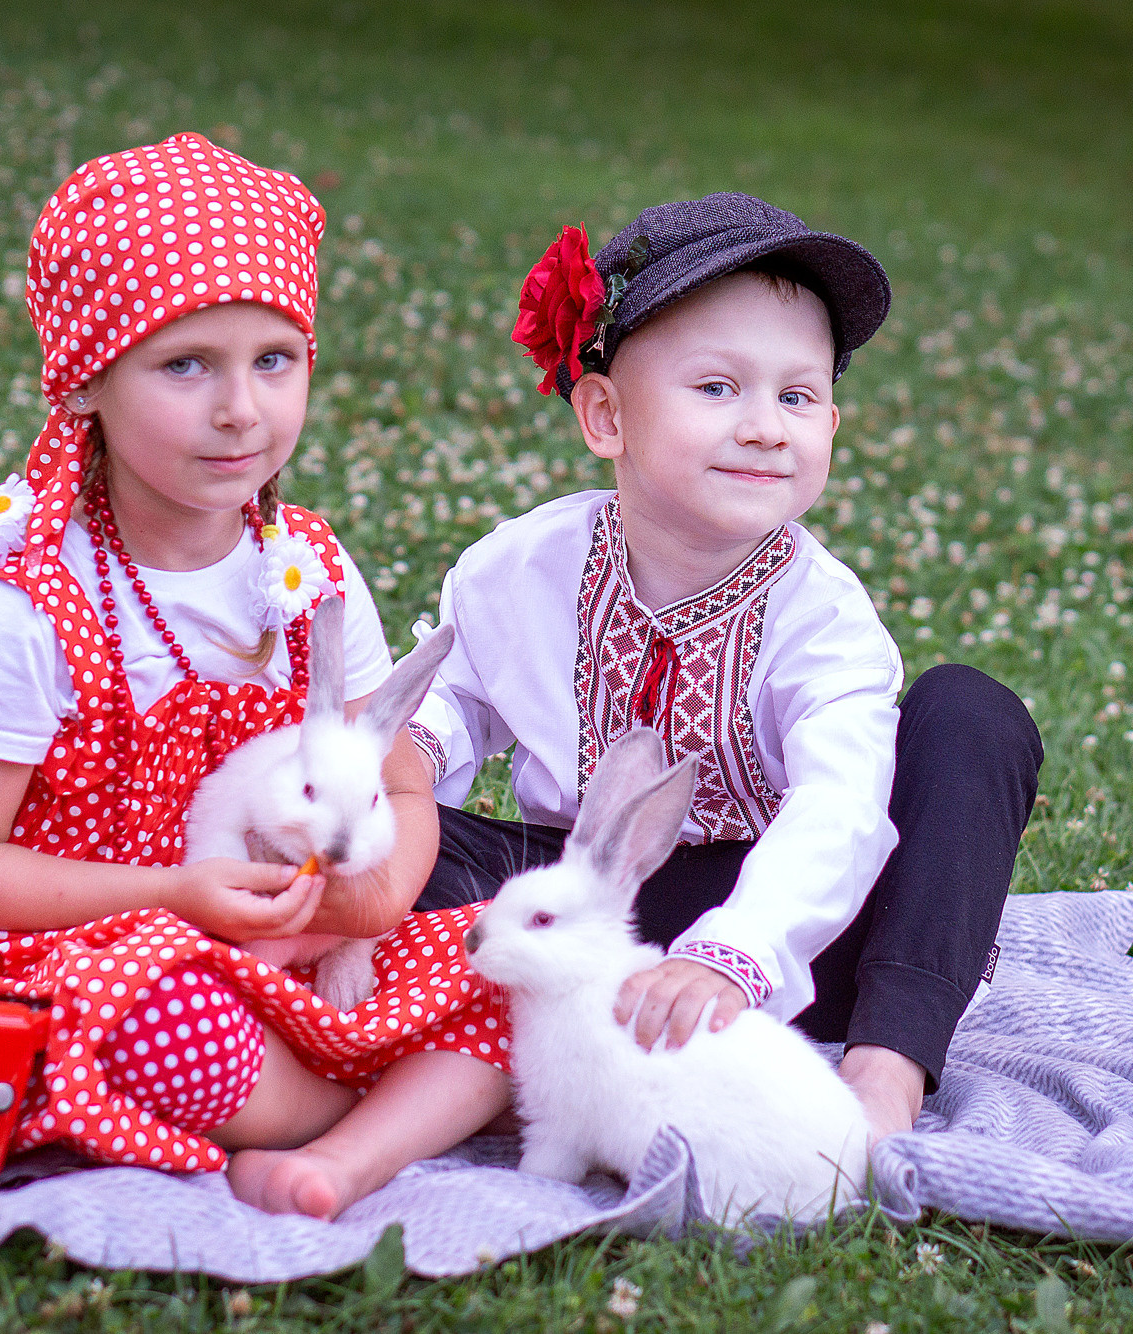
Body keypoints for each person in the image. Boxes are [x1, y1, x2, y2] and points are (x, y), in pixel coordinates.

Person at [0, 133, 507, 1220]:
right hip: (69, 938)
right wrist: (174, 895)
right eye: (185, 363)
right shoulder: (24, 611)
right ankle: (367, 1110)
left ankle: (328, 1120)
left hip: (291, 938)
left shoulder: (309, 574)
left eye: (273, 358)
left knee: (513, 968)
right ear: (86, 384)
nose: (240, 408)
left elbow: (392, 778)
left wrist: (374, 900)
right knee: (165, 1022)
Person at [408, 194, 1044, 1141]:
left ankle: (886, 1073)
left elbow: (839, 808)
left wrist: (735, 953)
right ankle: (475, 1032)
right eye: (717, 389)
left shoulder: (823, 619)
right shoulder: (524, 565)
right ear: (605, 414)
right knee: (399, 836)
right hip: (594, 905)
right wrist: (410, 760)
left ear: (831, 418)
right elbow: (450, 689)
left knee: (971, 714)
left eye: (796, 396)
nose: (764, 427)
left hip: (803, 938)